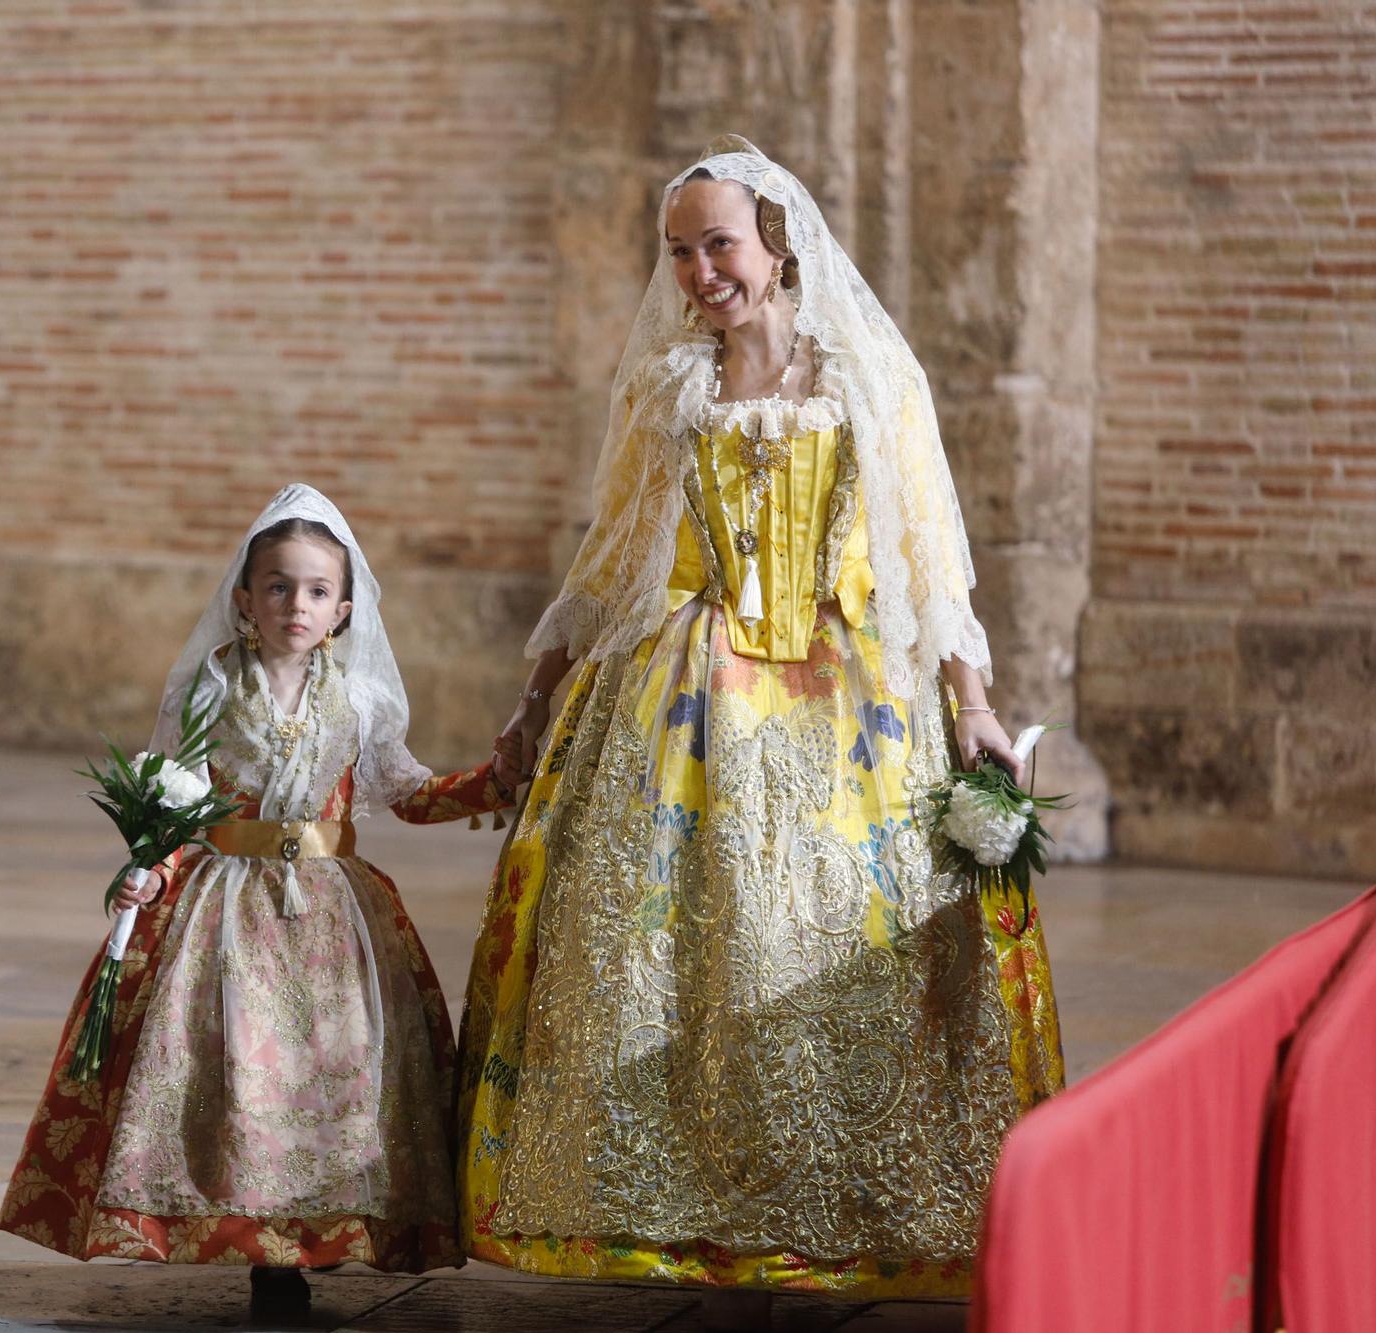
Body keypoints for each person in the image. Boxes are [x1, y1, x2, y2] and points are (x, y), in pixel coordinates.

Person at [455, 138, 1064, 1315]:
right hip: (684, 696)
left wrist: (973, 705)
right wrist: (537, 699)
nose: (696, 270)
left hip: (849, 704)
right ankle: (692, 1210)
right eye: (677, 250)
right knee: (673, 948)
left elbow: (928, 558)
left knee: (830, 944)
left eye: (716, 242)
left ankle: (845, 1206)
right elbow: (612, 552)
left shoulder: (870, 379)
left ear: (776, 244)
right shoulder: (667, 388)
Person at [0, 484, 512, 1315]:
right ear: (245, 598)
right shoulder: (210, 689)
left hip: (332, 911)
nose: (295, 604)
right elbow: (182, 799)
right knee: (241, 1074)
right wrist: (152, 868)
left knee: (336, 1072)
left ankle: (319, 1232)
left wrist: (491, 781)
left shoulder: (361, 697)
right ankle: (268, 1257)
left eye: (316, 590)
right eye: (277, 586)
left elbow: (405, 789)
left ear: (344, 608)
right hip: (227, 906)